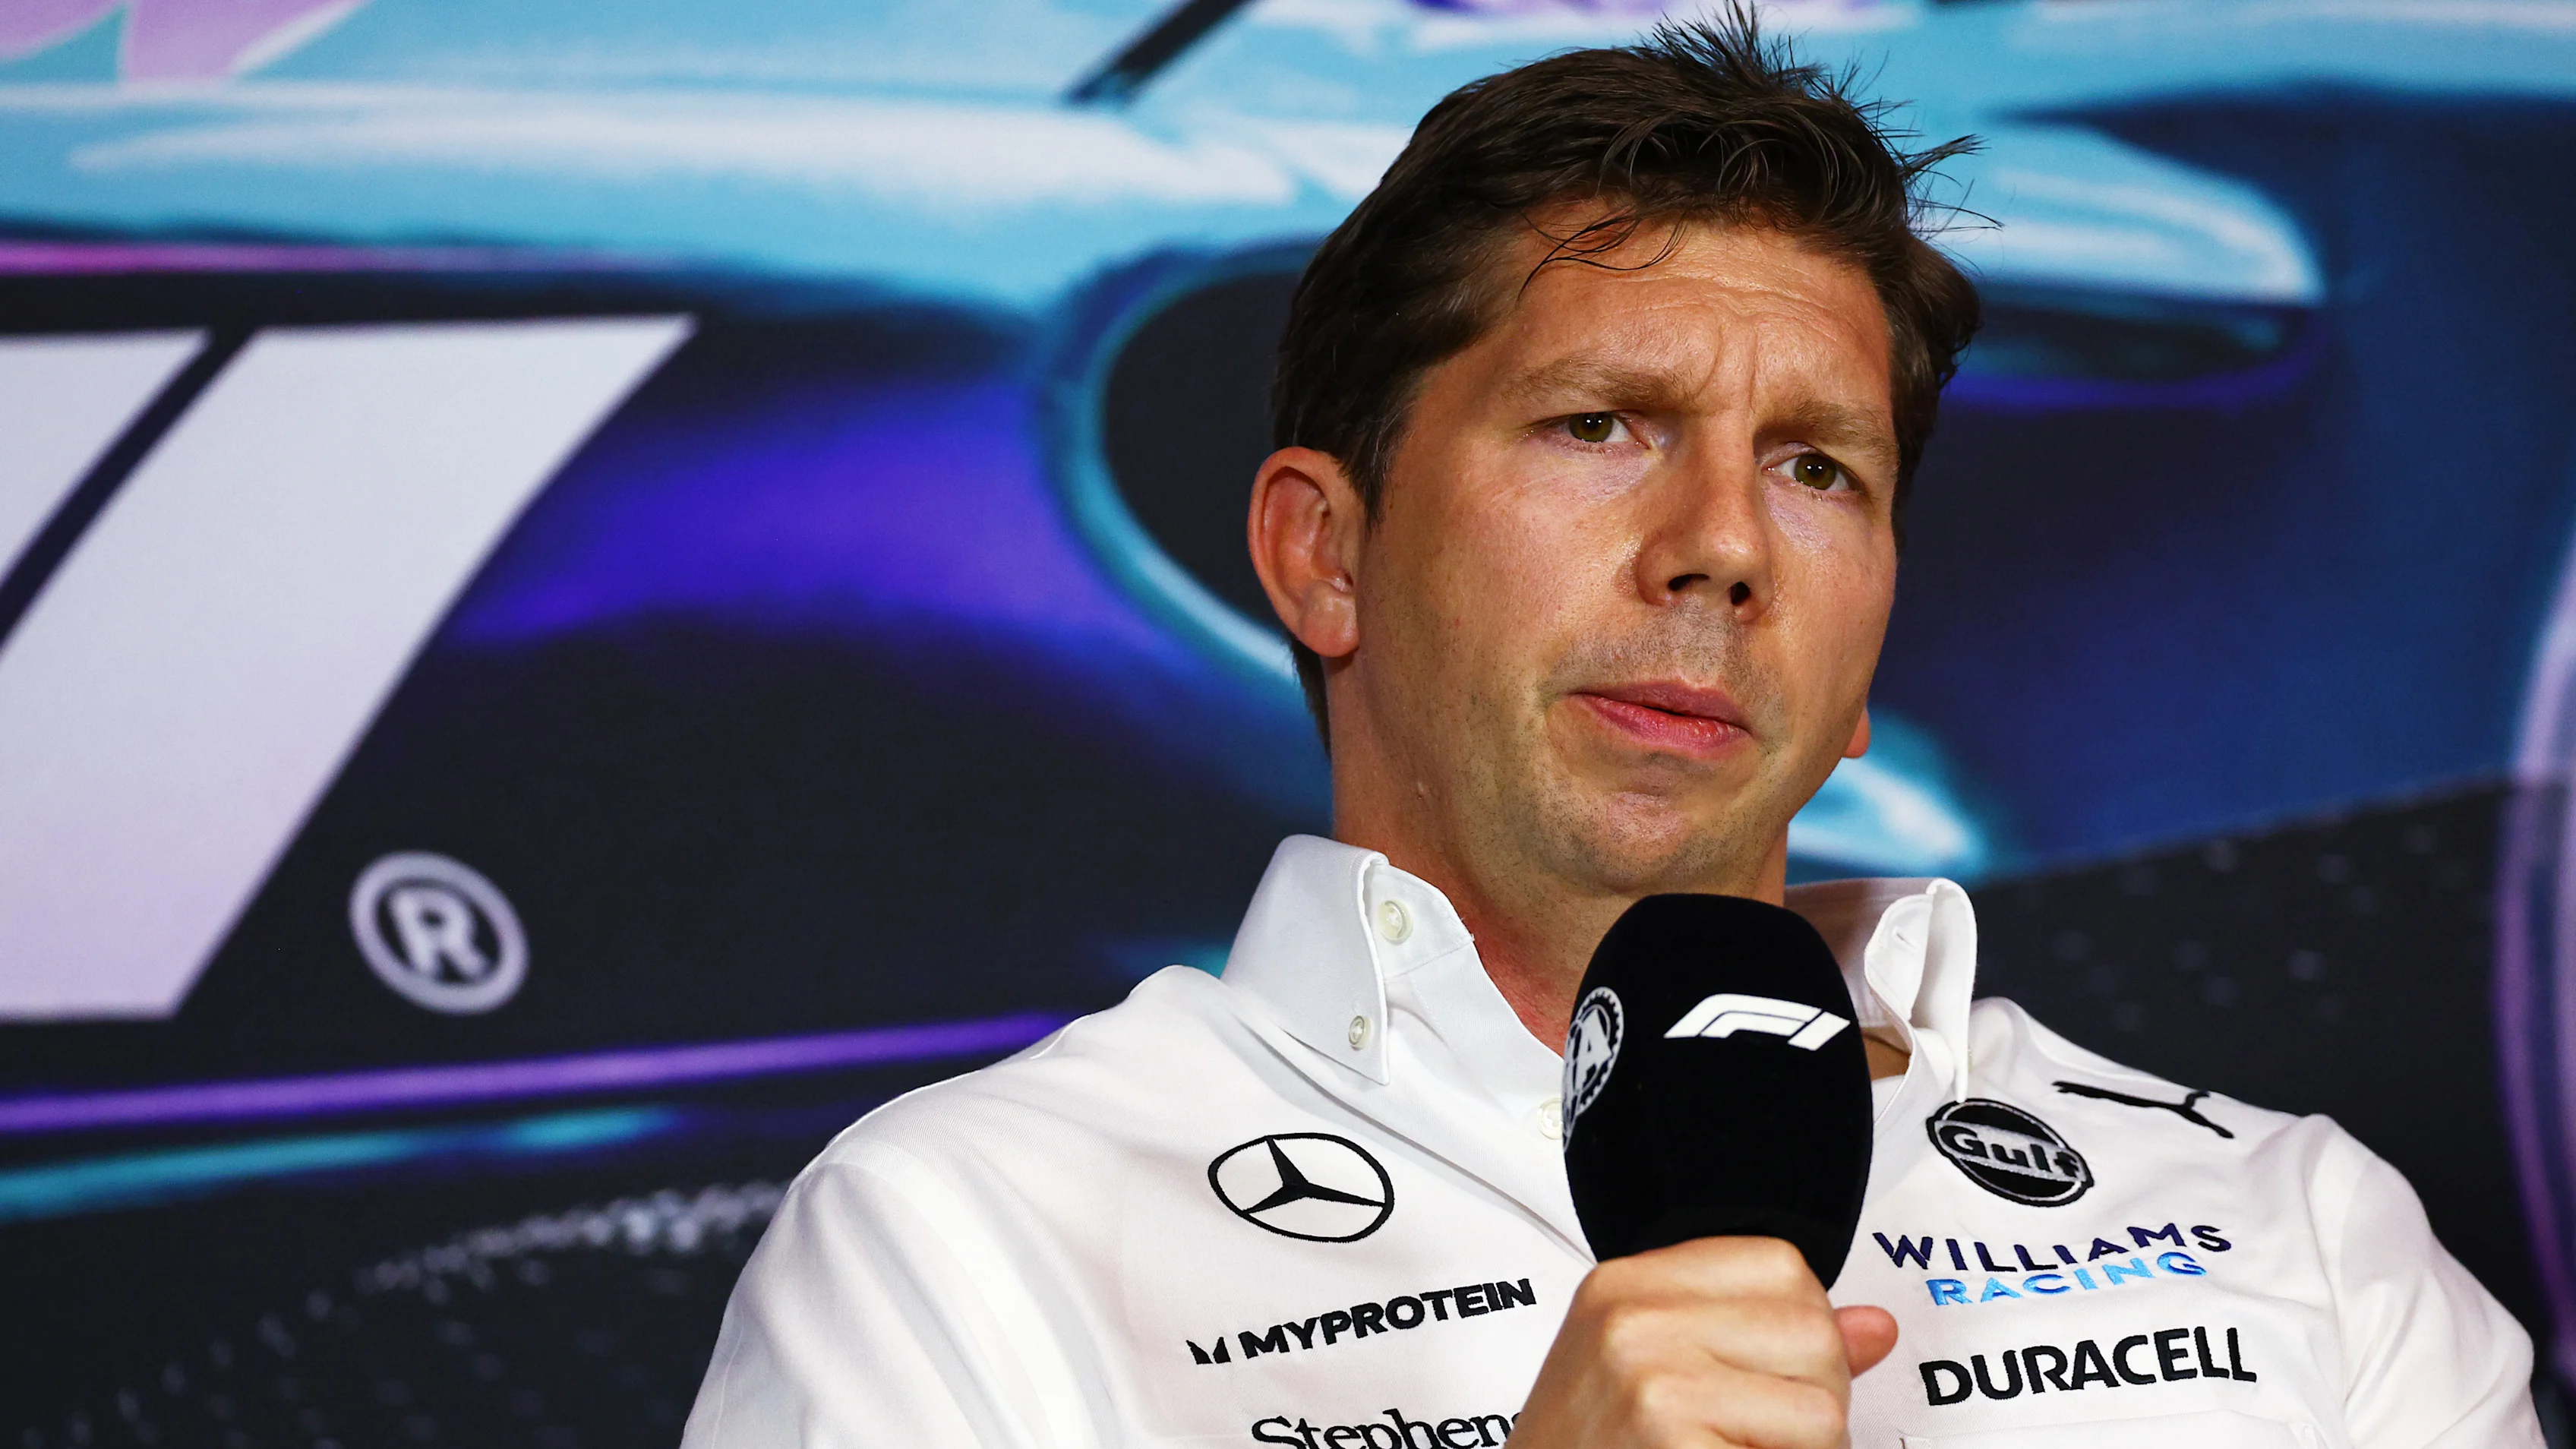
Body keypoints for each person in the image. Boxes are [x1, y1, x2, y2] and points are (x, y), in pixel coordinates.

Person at [680, 16, 2540, 1447]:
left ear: (1875, 635)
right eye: (1601, 426)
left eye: (1815, 468)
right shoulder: (954, 1246)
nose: (1722, 547)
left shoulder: (2286, 1228)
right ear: (1320, 556)